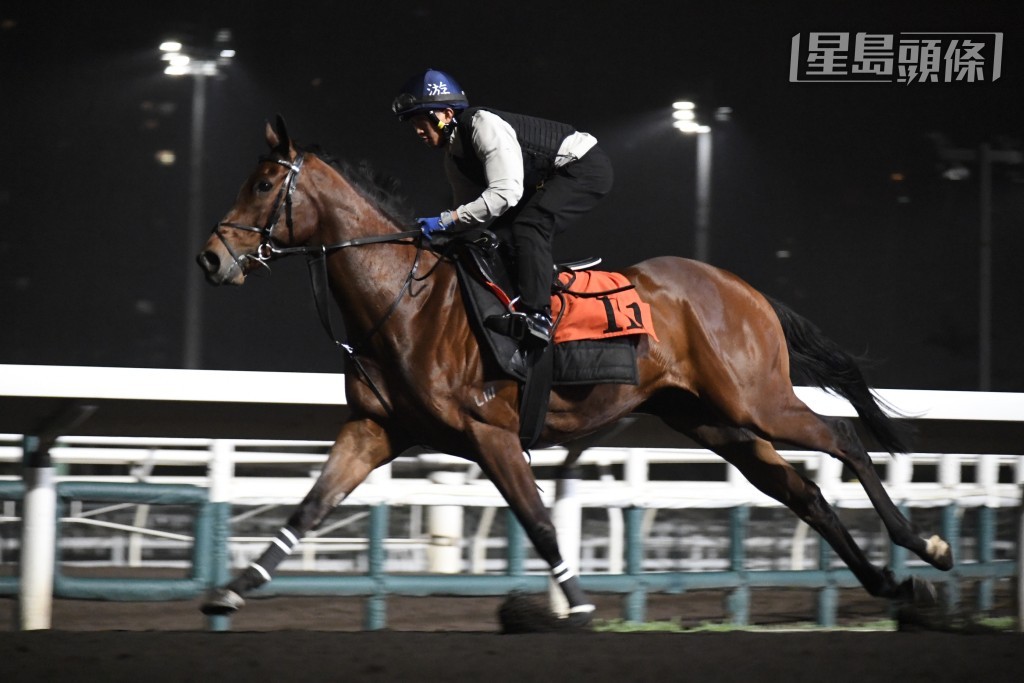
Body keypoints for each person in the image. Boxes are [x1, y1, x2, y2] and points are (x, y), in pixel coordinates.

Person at [392, 68, 614, 344]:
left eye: (421, 120)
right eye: (412, 124)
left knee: (529, 225)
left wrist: (445, 220)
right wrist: (440, 236)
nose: (418, 131)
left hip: (584, 167)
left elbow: (506, 194)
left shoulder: (483, 125)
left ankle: (538, 316)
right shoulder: (454, 158)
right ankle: (521, 293)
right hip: (545, 181)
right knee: (492, 238)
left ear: (447, 114)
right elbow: (470, 215)